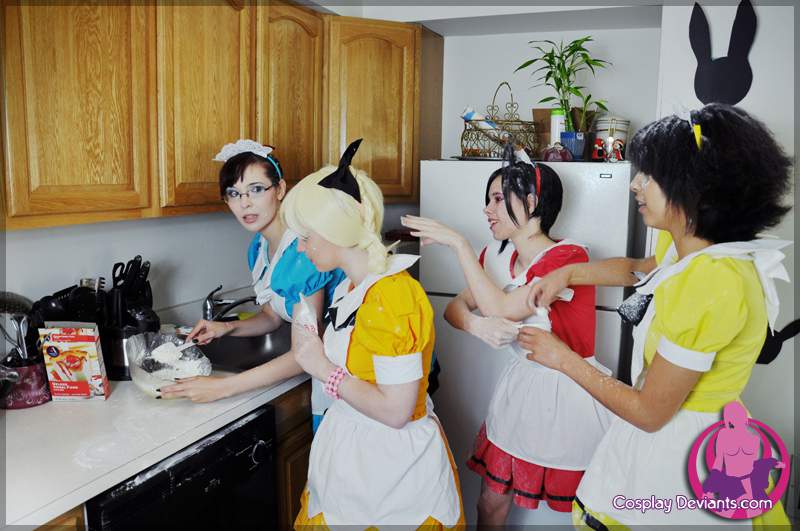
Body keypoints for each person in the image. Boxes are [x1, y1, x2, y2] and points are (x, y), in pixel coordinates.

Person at [519, 104, 792, 527]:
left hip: (683, 455)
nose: (635, 184)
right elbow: (640, 270)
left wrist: (562, 358)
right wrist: (567, 273)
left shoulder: (713, 280)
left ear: (694, 188)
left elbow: (649, 413)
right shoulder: (694, 248)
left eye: (649, 175)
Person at [401, 144, 612, 525]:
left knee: (588, 511)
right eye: (488, 200)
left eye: (498, 199)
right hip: (521, 390)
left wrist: (459, 244)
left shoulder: (569, 257)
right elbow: (454, 308)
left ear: (531, 202)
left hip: (570, 393)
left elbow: (502, 307)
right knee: (490, 502)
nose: (487, 209)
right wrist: (476, 324)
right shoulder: (496, 256)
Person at [285, 139, 464, 528]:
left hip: (392, 471)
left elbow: (395, 411)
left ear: (336, 230)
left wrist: (322, 368)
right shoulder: (350, 287)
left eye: (307, 235)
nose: (300, 247)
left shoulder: (392, 296)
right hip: (351, 455)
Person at [161, 140, 344, 431]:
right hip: (329, 370)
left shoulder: (302, 251)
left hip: (352, 373)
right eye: (234, 193)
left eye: (256, 189)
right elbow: (273, 315)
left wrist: (223, 387)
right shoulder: (259, 248)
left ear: (280, 189)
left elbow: (305, 353)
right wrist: (226, 327)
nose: (244, 203)